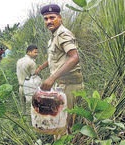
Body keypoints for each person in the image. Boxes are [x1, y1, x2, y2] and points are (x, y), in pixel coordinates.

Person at [35, 4, 84, 140]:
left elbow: (74, 57)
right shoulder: (53, 37)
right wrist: (41, 68)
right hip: (61, 85)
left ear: (60, 18)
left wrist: (51, 78)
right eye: (45, 19)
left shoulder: (63, 34)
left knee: (64, 127)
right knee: (59, 124)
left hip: (69, 86)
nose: (49, 21)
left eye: (52, 17)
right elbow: (54, 59)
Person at [16, 44, 39, 115]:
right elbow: (34, 76)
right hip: (28, 88)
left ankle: (23, 122)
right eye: (35, 52)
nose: (37, 54)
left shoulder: (19, 61)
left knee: (23, 110)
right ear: (29, 52)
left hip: (20, 87)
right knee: (31, 110)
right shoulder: (32, 63)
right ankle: (30, 125)